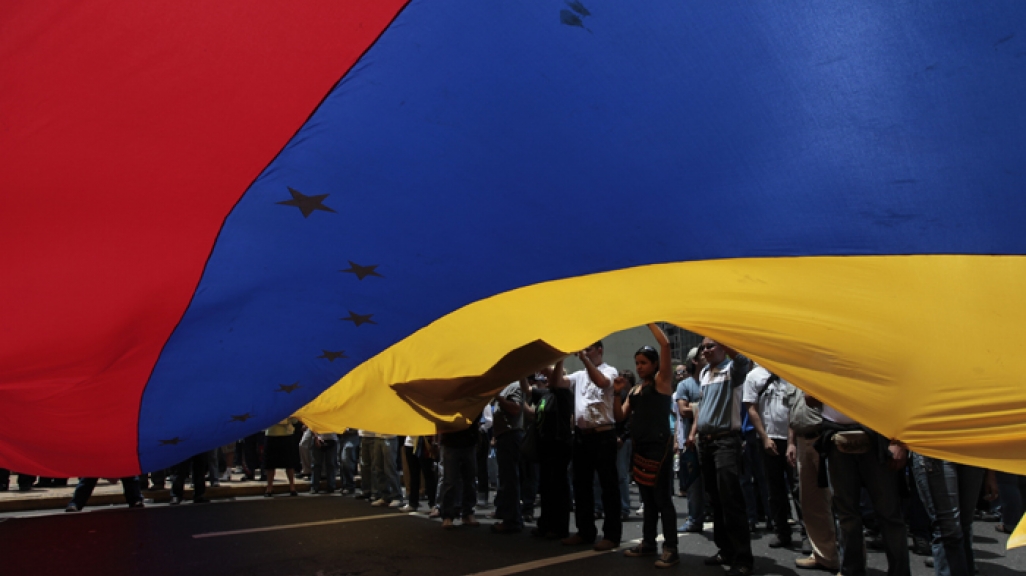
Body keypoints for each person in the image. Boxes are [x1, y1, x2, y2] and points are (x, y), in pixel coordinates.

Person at [614, 323, 680, 568]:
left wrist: (649, 319)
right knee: (648, 500)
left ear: (654, 364)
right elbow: (620, 417)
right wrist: (614, 393)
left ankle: (671, 549)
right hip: (640, 450)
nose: (639, 366)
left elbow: (665, 344)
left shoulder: (662, 382)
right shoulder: (634, 390)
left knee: (663, 500)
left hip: (659, 448)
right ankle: (649, 543)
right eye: (637, 362)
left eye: (643, 362)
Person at [819, 406, 909, 576]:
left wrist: (899, 442)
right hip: (837, 437)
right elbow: (810, 398)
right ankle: (851, 571)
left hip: (878, 435)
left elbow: (897, 394)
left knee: (889, 514)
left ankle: (900, 572)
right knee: (846, 514)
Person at [691, 337, 754, 576]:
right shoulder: (705, 373)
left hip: (726, 442)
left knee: (731, 500)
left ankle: (743, 558)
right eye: (703, 347)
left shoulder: (734, 369)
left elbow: (742, 359)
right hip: (706, 443)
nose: (705, 351)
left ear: (724, 347)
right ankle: (725, 550)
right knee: (715, 500)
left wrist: (725, 337)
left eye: (710, 346)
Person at [556, 340, 622, 552]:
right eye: (583, 349)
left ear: (600, 350)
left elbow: (602, 382)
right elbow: (557, 383)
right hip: (582, 436)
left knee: (607, 485)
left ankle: (612, 535)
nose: (584, 352)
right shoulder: (579, 375)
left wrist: (584, 359)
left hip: (603, 434)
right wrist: (559, 359)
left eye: (589, 349)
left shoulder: (609, 370)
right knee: (581, 485)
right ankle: (585, 531)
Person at [744, 365, 798, 548]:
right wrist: (765, 437)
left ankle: (808, 534)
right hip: (768, 439)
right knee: (774, 489)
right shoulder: (754, 376)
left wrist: (791, 441)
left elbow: (795, 407)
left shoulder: (791, 372)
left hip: (791, 438)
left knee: (798, 488)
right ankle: (782, 532)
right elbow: (751, 408)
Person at [676, 347, 706, 533]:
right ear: (694, 361)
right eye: (702, 354)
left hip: (712, 439)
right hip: (692, 441)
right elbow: (683, 410)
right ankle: (695, 519)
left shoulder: (714, 379)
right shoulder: (685, 385)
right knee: (694, 483)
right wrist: (704, 407)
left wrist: (694, 407)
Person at [491, 379, 525, 533]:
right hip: (503, 436)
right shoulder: (505, 386)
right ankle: (506, 513)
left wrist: (498, 397)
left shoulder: (515, 386)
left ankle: (512, 520)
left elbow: (516, 409)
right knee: (505, 478)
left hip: (511, 436)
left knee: (510, 479)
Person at [264, 417, 300, 497]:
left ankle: (292, 487)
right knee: (270, 463)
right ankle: (269, 487)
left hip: (287, 434)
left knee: (289, 463)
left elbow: (295, 420)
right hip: (271, 434)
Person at [66, 476, 144, 512]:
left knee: (129, 472)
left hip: (117, 449)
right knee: (89, 475)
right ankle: (75, 503)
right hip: (100, 450)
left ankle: (135, 500)